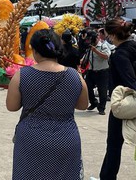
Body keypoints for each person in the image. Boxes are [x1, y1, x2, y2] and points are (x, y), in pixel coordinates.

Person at [6, 29, 88, 179]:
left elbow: (12, 106)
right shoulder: (75, 76)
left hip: (31, 137)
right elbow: (83, 105)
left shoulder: (21, 75)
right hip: (65, 136)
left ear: (35, 51)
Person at [98, 18, 136, 180]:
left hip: (125, 103)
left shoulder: (120, 54)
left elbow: (130, 81)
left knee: (113, 144)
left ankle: (107, 177)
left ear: (112, 35)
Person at [84, 29, 112, 115]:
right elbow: (87, 56)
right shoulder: (90, 47)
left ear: (96, 38)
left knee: (102, 91)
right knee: (87, 87)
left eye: (92, 39)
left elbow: (106, 56)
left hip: (102, 72)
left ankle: (101, 108)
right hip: (91, 71)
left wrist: (95, 50)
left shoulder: (103, 46)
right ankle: (93, 102)